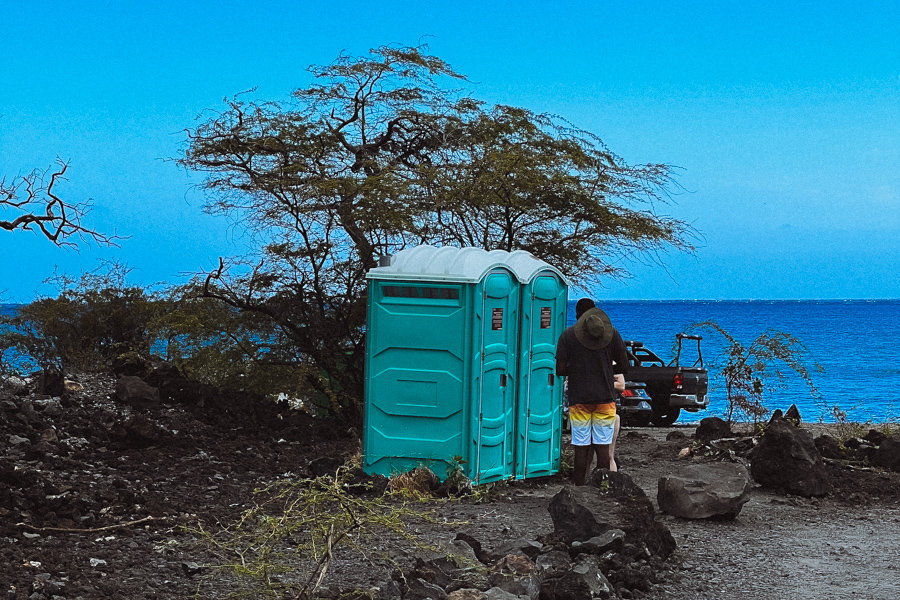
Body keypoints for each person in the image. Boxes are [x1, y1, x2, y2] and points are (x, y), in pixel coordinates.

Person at [556, 298, 628, 485]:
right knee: (603, 448)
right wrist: (604, 369)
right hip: (605, 398)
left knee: (581, 446)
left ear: (578, 315)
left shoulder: (567, 335)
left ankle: (579, 487)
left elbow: (560, 370)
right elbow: (625, 366)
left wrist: (578, 369)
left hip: (579, 398)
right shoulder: (613, 334)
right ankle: (601, 487)